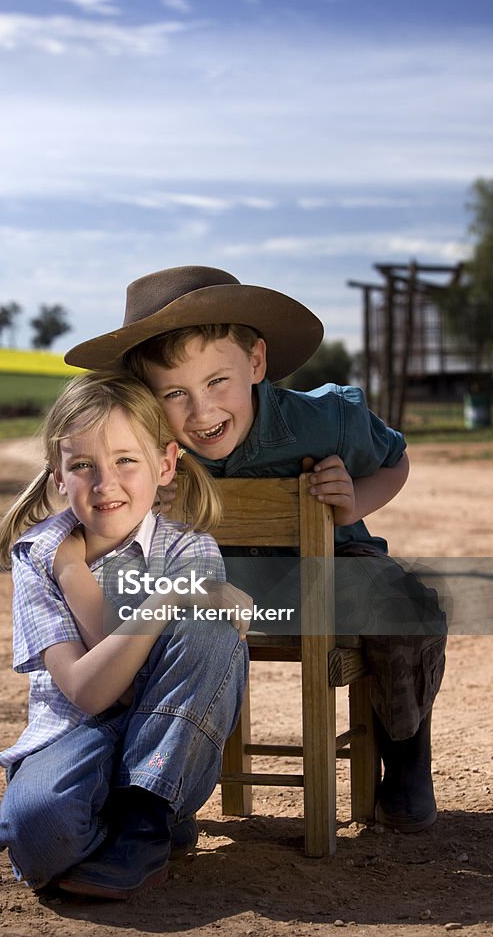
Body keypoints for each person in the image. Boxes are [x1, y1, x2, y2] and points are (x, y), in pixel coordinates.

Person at [65, 266, 448, 834]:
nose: (202, 412)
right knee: (127, 594)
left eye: (217, 382)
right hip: (212, 584)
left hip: (332, 573)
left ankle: (407, 754)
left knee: (407, 606)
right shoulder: (140, 444)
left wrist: (353, 503)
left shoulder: (327, 419)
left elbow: (396, 461)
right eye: (174, 393)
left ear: (257, 362)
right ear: (146, 395)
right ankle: (149, 783)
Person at [0, 371, 250, 899]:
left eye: (126, 460)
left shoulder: (188, 551)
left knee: (213, 622)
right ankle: (133, 826)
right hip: (73, 731)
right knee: (37, 833)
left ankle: (147, 815)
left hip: (169, 737)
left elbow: (143, 684)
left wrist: (179, 598)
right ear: (58, 477)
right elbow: (91, 691)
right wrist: (75, 572)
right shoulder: (40, 556)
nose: (105, 484)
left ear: (165, 463)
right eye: (83, 465)